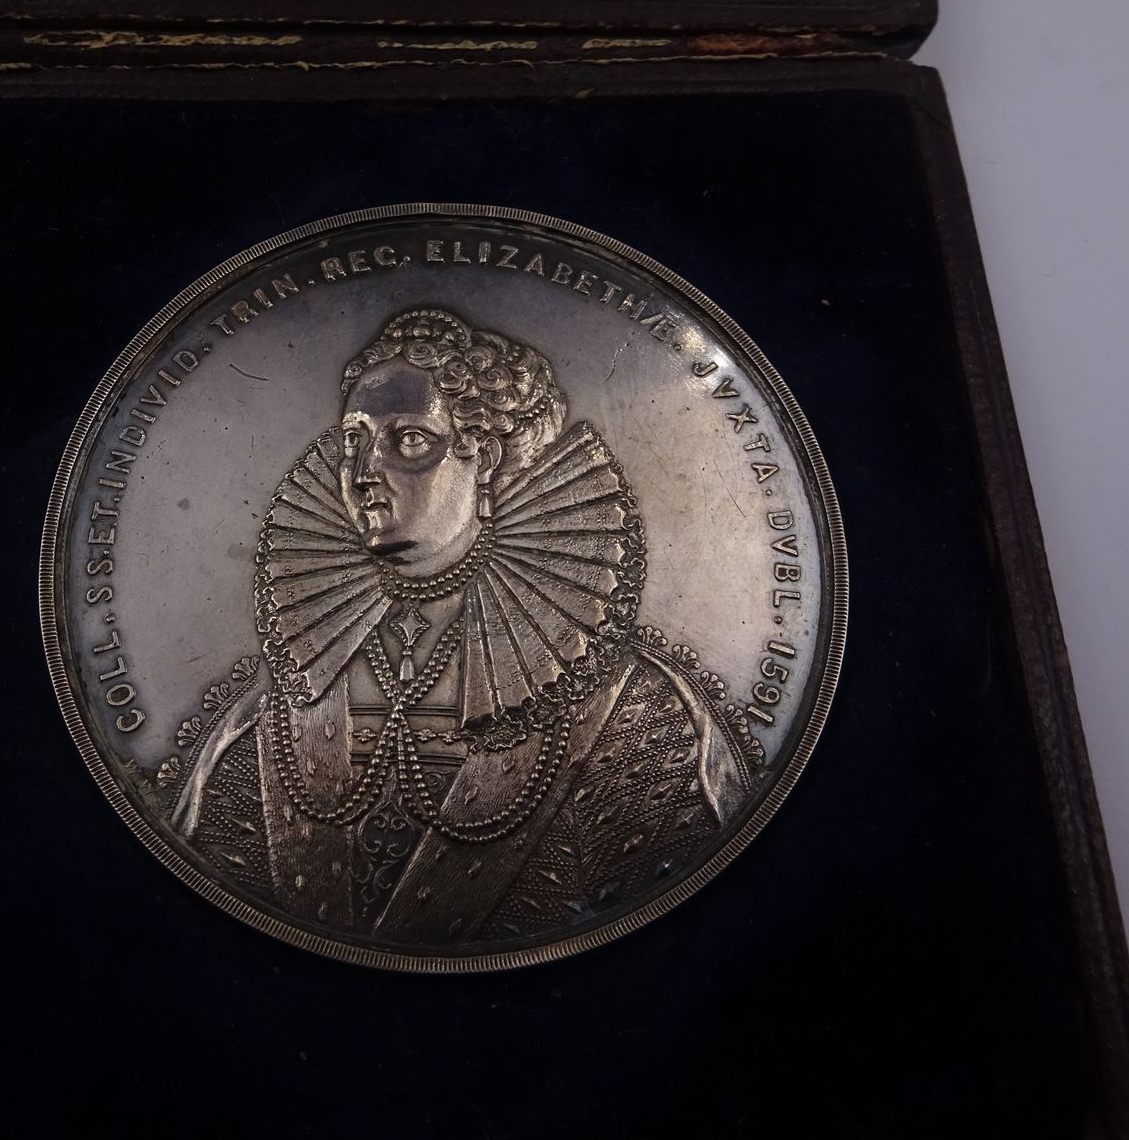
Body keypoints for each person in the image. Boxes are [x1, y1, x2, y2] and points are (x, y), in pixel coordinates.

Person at [170, 307, 758, 945]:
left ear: (486, 459)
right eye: (354, 442)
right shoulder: (274, 709)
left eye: (409, 440)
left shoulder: (629, 705)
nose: (363, 474)